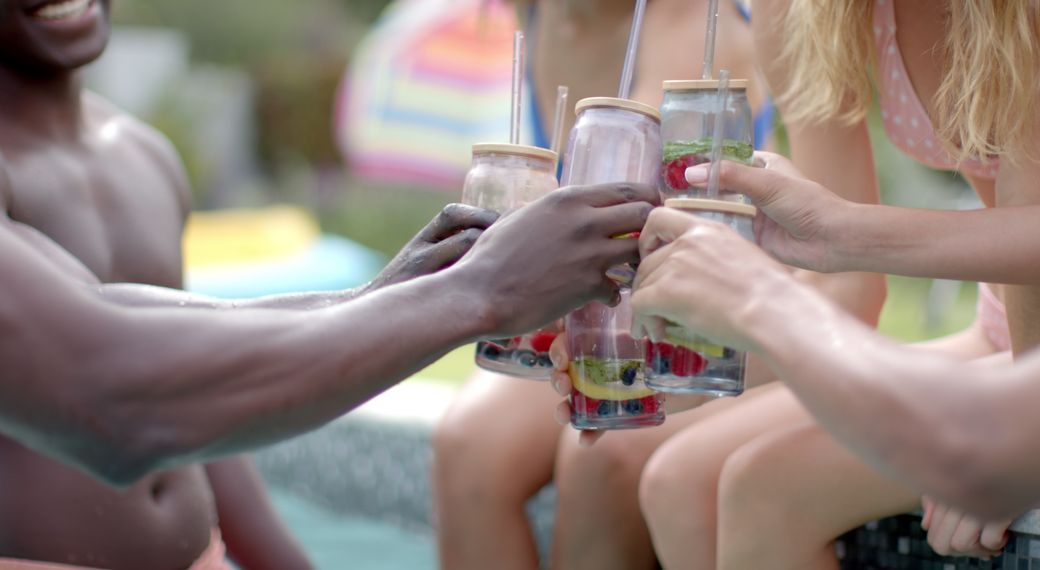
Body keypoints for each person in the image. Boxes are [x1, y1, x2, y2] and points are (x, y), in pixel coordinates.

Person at [0, 0, 660, 569]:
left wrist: (382, 296)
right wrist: (482, 290)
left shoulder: (141, 154)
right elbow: (111, 392)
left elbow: (185, 377)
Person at [557, 0, 1040, 566]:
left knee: (763, 493)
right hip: (1003, 326)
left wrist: (1026, 445)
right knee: (678, 485)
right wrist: (672, 363)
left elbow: (1039, 251)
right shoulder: (804, 11)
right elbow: (846, 292)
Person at [430, 1, 782, 569]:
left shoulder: (685, 20)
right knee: (467, 445)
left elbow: (618, 203)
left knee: (599, 455)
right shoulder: (542, 13)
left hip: (711, 321)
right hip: (603, 294)